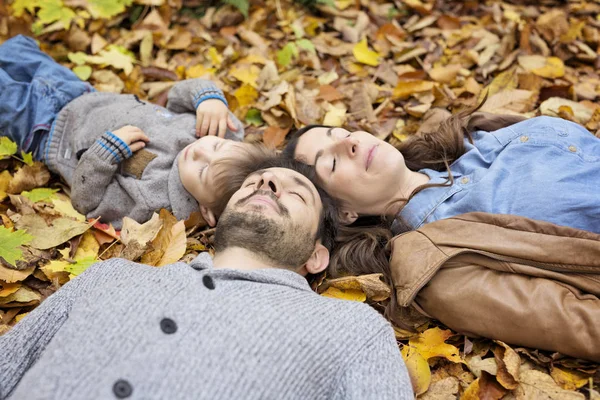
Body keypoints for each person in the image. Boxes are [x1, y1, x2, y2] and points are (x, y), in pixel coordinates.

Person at [0, 161, 413, 400]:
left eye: (296, 194)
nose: (268, 182)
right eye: (255, 182)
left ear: (315, 255)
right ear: (215, 219)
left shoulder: (350, 329)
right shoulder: (111, 276)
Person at [0, 34, 270, 228]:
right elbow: (177, 96)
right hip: (83, 95)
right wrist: (208, 98)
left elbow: (88, 203)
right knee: (19, 51)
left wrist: (106, 154)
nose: (199, 151)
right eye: (216, 147)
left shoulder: (153, 200)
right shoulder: (221, 131)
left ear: (206, 211)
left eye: (203, 171)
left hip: (48, 132)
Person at [283, 111, 600, 235]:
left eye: (340, 132)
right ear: (344, 214)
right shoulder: (441, 236)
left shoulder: (467, 144)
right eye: (333, 163)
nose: (350, 142)